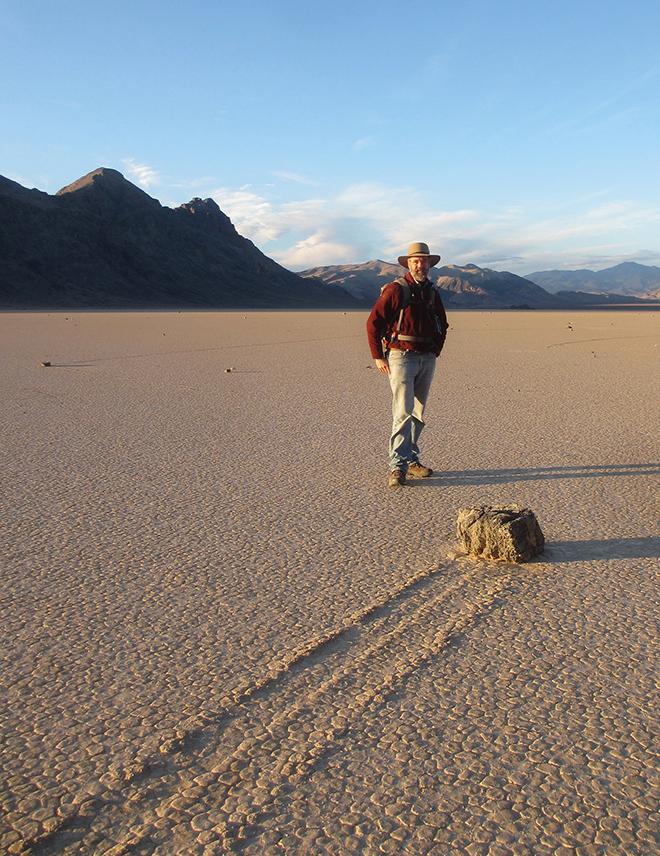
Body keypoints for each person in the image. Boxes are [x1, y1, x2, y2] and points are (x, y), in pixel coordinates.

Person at [366, 242, 448, 487]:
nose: (420, 264)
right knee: (402, 412)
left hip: (426, 357)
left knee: (418, 413)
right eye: (415, 261)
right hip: (401, 356)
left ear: (429, 264)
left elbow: (442, 324)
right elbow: (373, 323)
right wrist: (378, 356)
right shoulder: (395, 290)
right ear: (408, 264)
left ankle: (411, 460)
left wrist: (436, 350)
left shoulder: (432, 292)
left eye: (424, 261)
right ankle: (397, 466)